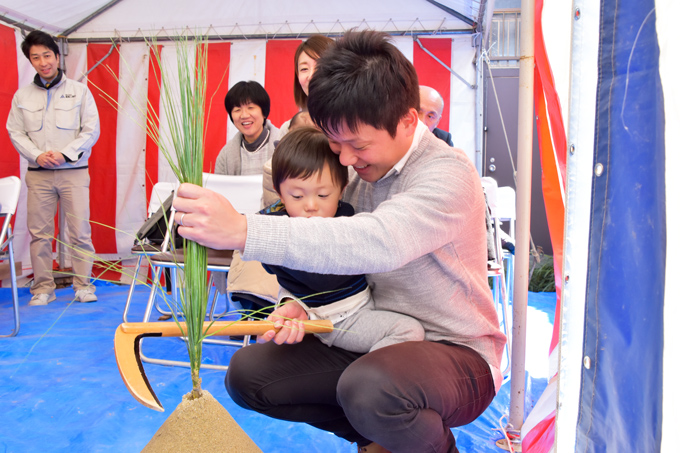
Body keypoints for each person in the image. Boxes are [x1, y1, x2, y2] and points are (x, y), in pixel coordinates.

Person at [173, 30, 506, 453]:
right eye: (334, 142)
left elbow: (377, 241)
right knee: (249, 374)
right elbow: (316, 247)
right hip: (368, 334)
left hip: (455, 353)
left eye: (357, 144)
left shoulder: (448, 173)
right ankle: (378, 437)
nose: (345, 159)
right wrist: (292, 303)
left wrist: (242, 230)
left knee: (371, 388)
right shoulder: (354, 171)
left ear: (408, 120)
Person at [261, 126, 424, 353]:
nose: (310, 205)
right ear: (280, 193)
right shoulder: (276, 229)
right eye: (297, 196)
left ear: (341, 190)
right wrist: (292, 303)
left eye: (323, 195)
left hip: (358, 308)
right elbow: (292, 278)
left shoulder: (347, 217)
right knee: (408, 330)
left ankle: (366, 376)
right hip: (340, 321)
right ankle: (364, 380)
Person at [7, 30, 100, 306]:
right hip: (38, 176)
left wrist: (64, 154)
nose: (43, 62)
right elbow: (15, 132)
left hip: (73, 171)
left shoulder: (80, 91)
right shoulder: (22, 96)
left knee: (80, 231)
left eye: (47, 55)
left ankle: (83, 286)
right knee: (39, 235)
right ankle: (43, 288)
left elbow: (91, 130)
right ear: (30, 61)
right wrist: (38, 155)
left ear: (57, 57)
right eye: (35, 57)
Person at [214, 81, 280, 175]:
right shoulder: (225, 155)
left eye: (250, 107)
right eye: (237, 110)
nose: (244, 115)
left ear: (264, 112)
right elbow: (219, 188)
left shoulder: (285, 145)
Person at [278, 34, 335, 137]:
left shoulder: (355, 123)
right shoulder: (290, 129)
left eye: (320, 66)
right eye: (304, 69)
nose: (311, 76)